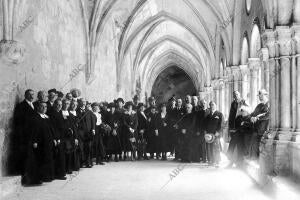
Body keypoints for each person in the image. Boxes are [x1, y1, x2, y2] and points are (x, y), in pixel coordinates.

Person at [23, 101, 55, 185]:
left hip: (48, 142)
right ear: (38, 107)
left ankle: (47, 177)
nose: (44, 108)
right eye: (42, 106)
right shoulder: (35, 117)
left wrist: (54, 138)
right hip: (40, 143)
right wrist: (35, 141)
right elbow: (33, 130)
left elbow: (51, 130)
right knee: (40, 160)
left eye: (45, 107)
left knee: (48, 159)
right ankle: (38, 179)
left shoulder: (47, 117)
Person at [14, 89, 36, 178]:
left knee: (31, 156)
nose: (32, 96)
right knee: (25, 156)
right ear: (25, 95)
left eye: (33, 95)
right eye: (30, 94)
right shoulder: (21, 106)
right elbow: (20, 122)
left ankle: (31, 175)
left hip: (32, 134)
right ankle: (25, 176)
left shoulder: (33, 105)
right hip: (25, 136)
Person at [227, 91, 248, 167]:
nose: (236, 96)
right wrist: (230, 126)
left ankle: (237, 163)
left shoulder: (243, 101)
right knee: (234, 144)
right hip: (234, 126)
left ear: (240, 95)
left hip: (241, 126)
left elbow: (247, 112)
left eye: (237, 94)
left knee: (239, 145)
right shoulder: (233, 103)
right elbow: (231, 115)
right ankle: (232, 161)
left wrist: (244, 122)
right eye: (234, 95)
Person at [48, 99, 67, 180]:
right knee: (58, 157)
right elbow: (53, 128)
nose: (59, 106)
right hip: (56, 138)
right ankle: (58, 174)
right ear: (54, 105)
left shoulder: (59, 113)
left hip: (61, 137)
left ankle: (60, 173)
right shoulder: (51, 113)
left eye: (60, 104)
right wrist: (56, 138)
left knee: (61, 156)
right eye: (57, 104)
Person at [248, 89, 270, 159]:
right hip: (256, 130)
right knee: (253, 146)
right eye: (259, 95)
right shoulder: (259, 106)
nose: (260, 97)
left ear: (266, 95)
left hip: (264, 130)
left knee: (262, 149)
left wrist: (257, 117)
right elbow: (252, 114)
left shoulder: (269, 104)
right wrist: (251, 117)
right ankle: (254, 161)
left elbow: (268, 115)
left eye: (261, 95)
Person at [76, 98, 96, 168]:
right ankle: (82, 162)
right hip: (80, 132)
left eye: (84, 101)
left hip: (88, 132)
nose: (83, 103)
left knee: (88, 147)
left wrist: (93, 129)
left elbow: (93, 120)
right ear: (79, 103)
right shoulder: (76, 111)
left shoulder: (89, 111)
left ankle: (88, 162)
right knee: (81, 148)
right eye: (82, 102)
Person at [204, 101, 223, 167]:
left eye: (213, 105)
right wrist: (205, 132)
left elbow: (221, 124)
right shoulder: (208, 115)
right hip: (209, 135)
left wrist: (218, 132)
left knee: (216, 148)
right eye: (210, 105)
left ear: (216, 105)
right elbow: (205, 124)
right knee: (209, 148)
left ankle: (217, 161)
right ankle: (210, 161)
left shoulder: (219, 114)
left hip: (216, 134)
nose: (212, 106)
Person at [68, 100, 80, 171]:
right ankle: (70, 167)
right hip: (72, 134)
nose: (74, 106)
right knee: (72, 150)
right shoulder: (68, 113)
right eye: (73, 105)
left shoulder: (78, 113)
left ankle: (76, 166)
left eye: (76, 105)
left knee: (77, 150)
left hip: (78, 134)